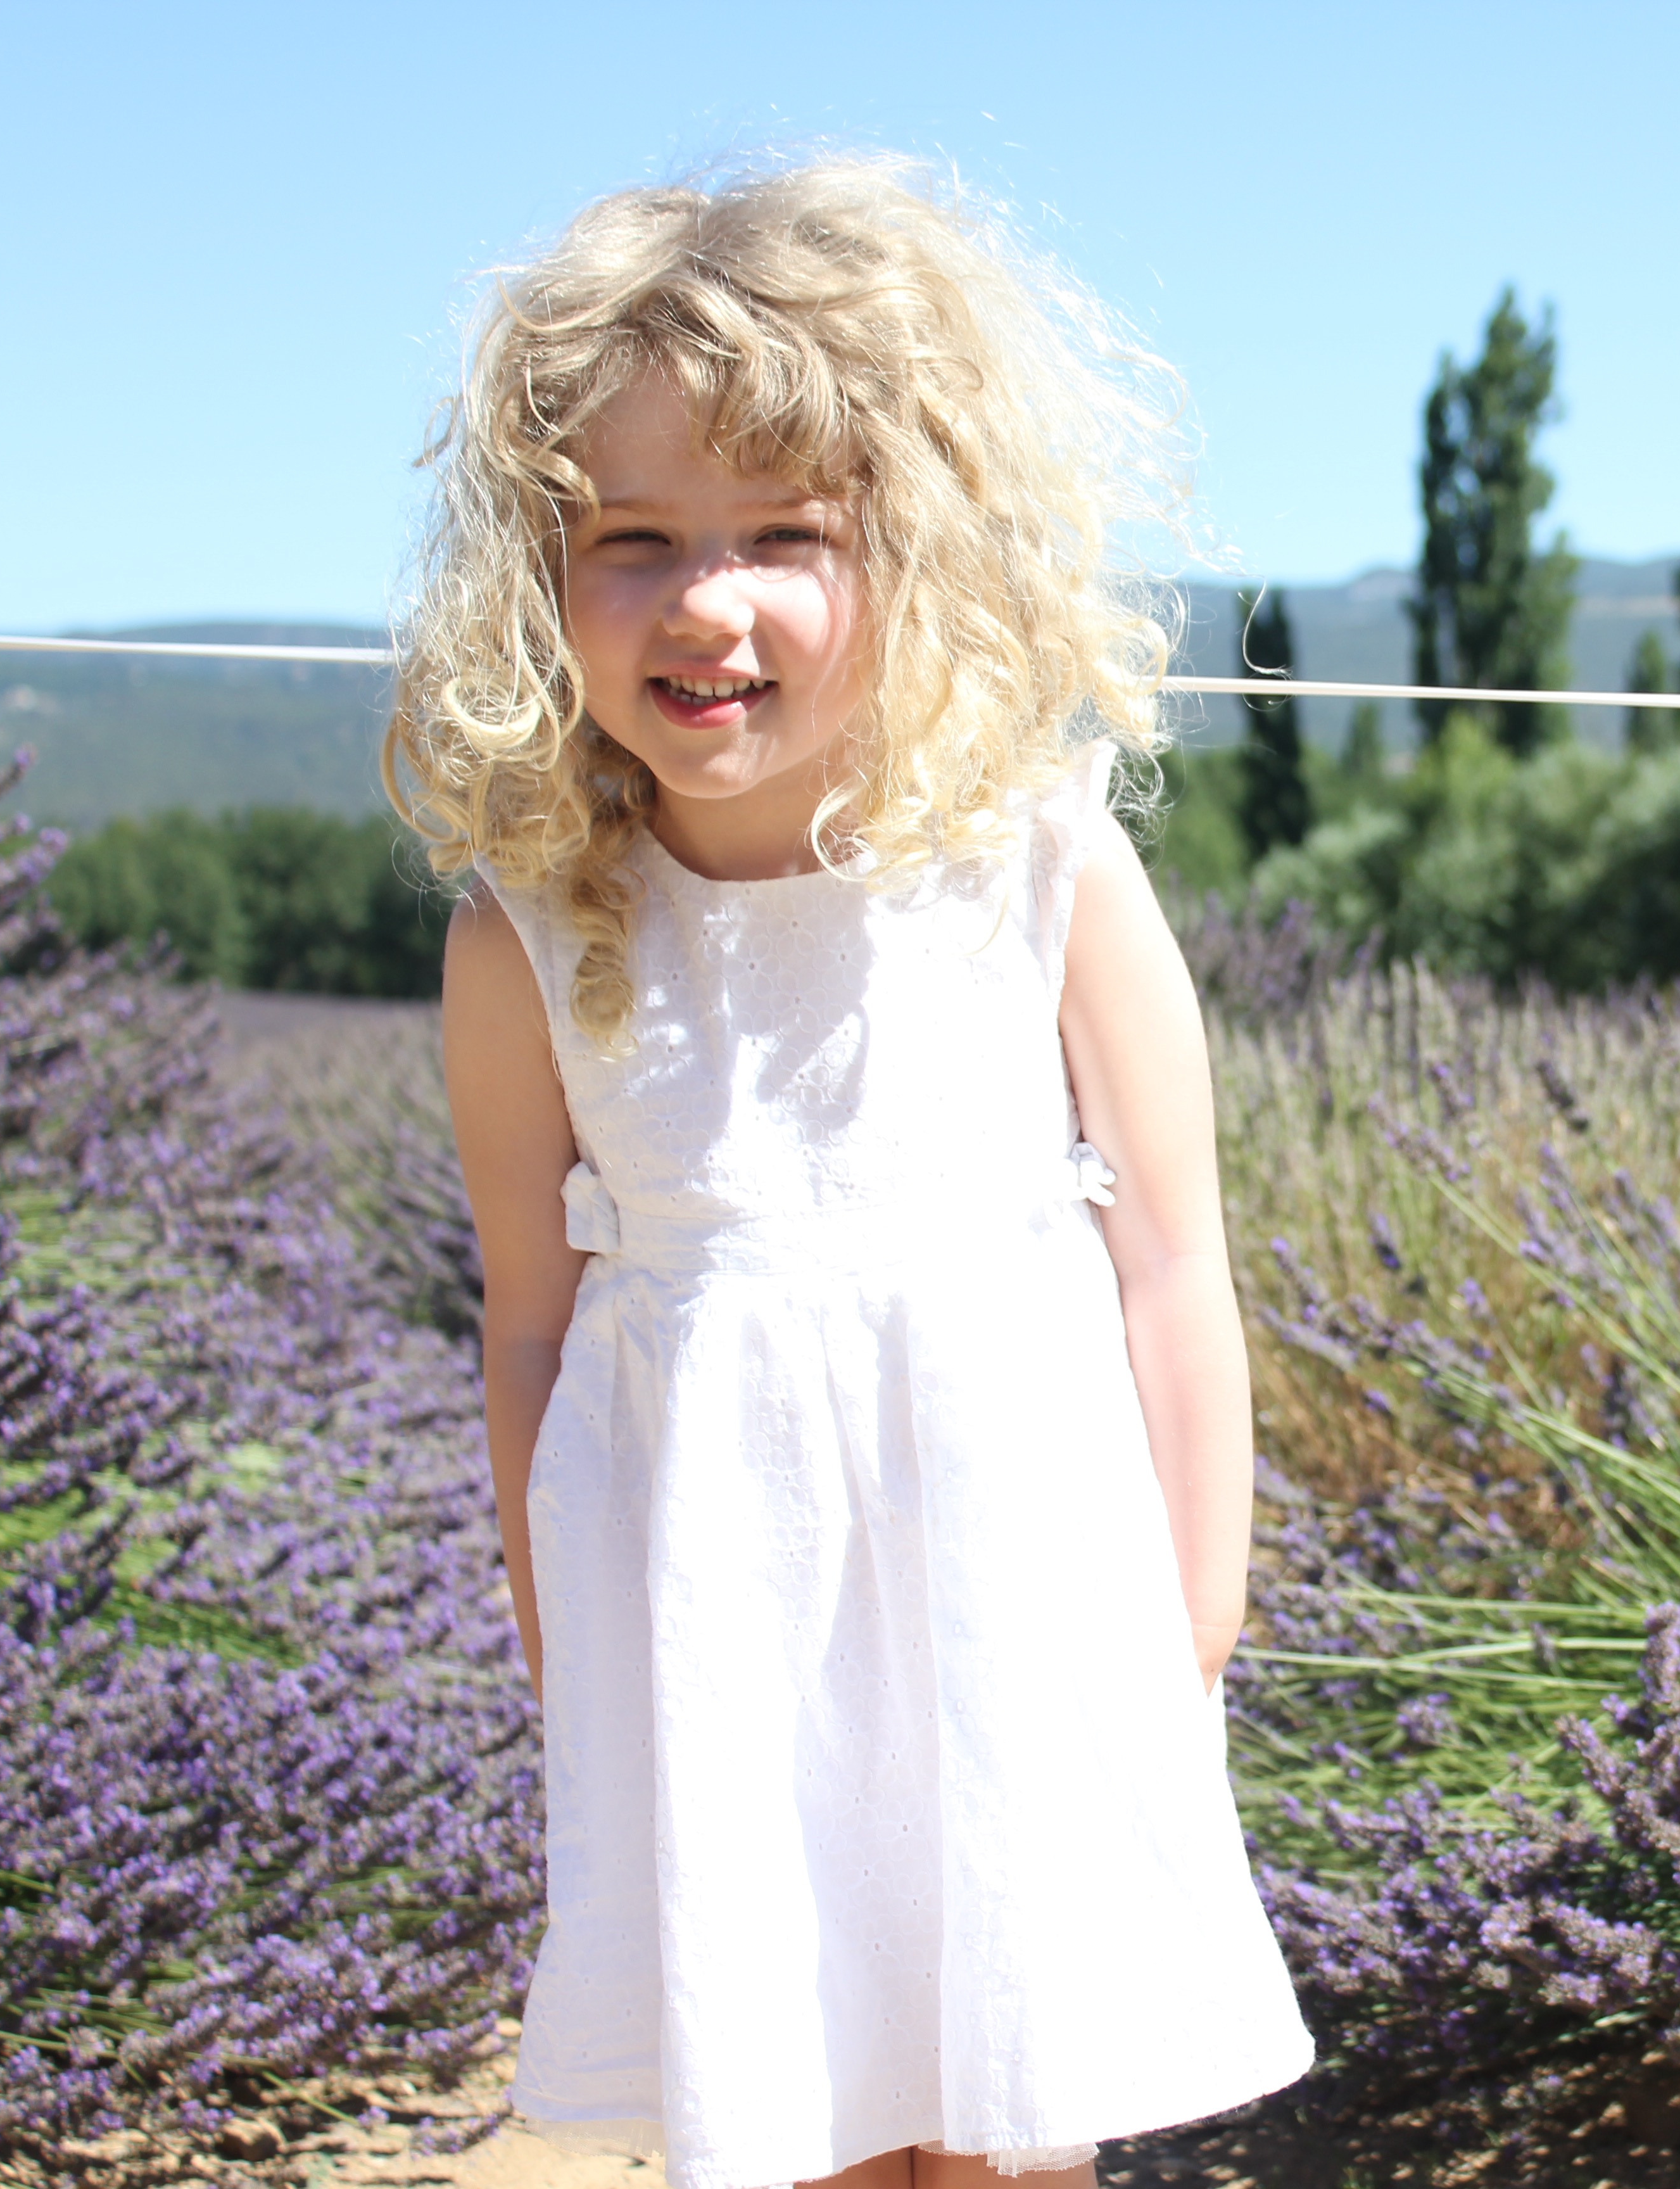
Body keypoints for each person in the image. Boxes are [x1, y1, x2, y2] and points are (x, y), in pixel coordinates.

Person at [394, 158, 1313, 2189]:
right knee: (786, 2114)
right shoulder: (524, 938)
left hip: (1021, 1599)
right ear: (539, 577)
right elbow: (532, 1332)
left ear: (913, 549)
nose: (708, 601)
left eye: (785, 536)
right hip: (711, 1613)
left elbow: (1171, 1261)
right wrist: (579, 1665)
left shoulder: (1040, 861)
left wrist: (1195, 1618)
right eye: (634, 541)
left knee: (1009, 2125)